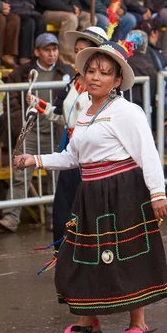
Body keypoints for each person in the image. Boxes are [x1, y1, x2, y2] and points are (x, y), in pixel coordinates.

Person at [14, 39, 167, 333]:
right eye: (91, 71)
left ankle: (137, 323)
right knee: (81, 257)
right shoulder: (84, 112)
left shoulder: (127, 112)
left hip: (123, 192)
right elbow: (73, 157)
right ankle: (88, 321)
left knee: (127, 257)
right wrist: (35, 160)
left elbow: (147, 154)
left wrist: (158, 193)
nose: (95, 77)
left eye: (104, 72)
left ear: (117, 80)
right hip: (90, 196)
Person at [28, 26, 108, 245]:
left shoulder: (106, 85)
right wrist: (38, 104)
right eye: (76, 50)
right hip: (72, 148)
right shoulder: (74, 82)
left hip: (95, 152)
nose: (78, 55)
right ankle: (64, 255)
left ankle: (95, 255)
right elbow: (63, 115)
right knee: (64, 203)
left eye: (85, 50)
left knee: (92, 206)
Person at [0, 33, 73, 233]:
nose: (52, 54)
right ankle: (10, 218)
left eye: (54, 49)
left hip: (54, 132)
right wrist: (20, 124)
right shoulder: (21, 73)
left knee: (54, 178)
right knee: (21, 175)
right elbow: (10, 101)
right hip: (30, 132)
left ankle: (55, 217)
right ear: (37, 52)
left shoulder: (66, 72)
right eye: (47, 50)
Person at [33, 0, 91, 64]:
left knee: (88, 18)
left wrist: (77, 8)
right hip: (47, 11)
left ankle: (81, 52)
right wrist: (70, 9)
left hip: (68, 10)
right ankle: (65, 57)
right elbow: (48, 1)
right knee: (70, 19)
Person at [4, 0, 46, 65]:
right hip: (10, 8)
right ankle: (24, 57)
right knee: (28, 22)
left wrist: (30, 3)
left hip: (25, 7)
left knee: (41, 22)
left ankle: (40, 55)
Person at [126, 29, 156, 110]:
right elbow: (152, 96)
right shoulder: (149, 68)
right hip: (142, 111)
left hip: (120, 110)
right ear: (145, 47)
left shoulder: (120, 63)